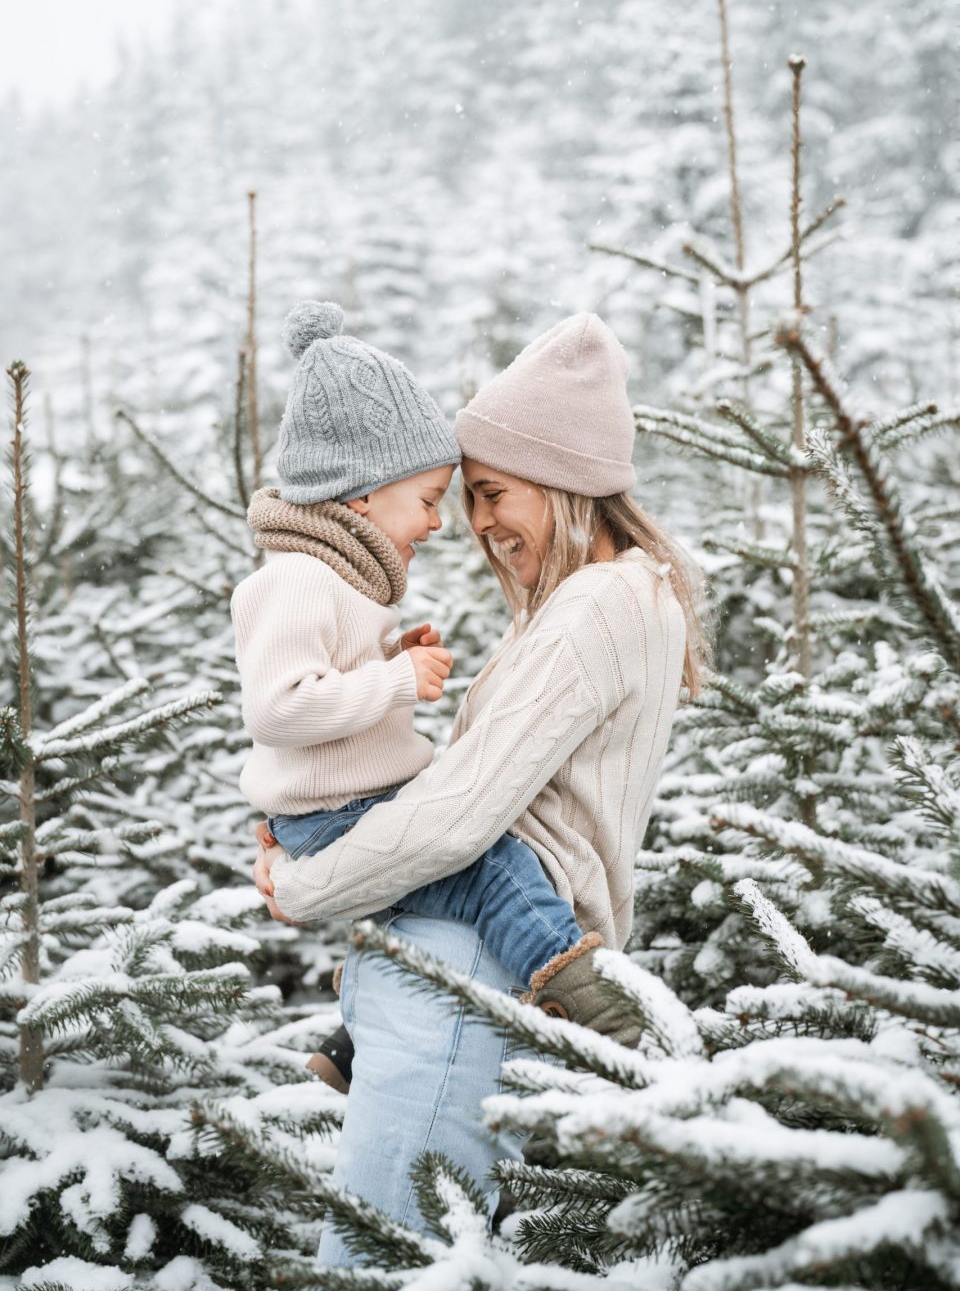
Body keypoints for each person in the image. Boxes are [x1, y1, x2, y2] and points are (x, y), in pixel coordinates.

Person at [253, 310, 708, 1267]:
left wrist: (304, 890)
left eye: (495, 493)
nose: (480, 524)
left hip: (465, 979)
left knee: (384, 1264)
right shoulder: (613, 597)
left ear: (564, 482)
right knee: (413, 1253)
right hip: (461, 976)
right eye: (466, 498)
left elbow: (461, 815)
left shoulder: (600, 602)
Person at [233, 301, 650, 1093]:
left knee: (419, 888)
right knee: (492, 868)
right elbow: (278, 707)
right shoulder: (291, 578)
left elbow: (327, 683)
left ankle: (348, 1048)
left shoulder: (339, 578)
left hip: (361, 797)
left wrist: (389, 658)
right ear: (360, 496)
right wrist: (391, 682)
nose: (441, 523)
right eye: (428, 499)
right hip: (339, 812)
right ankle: (585, 1004)